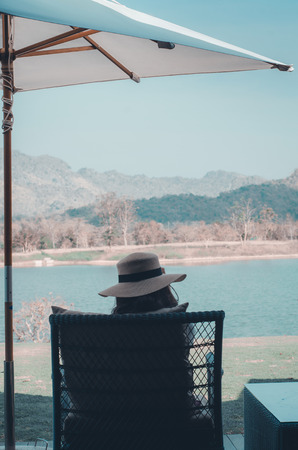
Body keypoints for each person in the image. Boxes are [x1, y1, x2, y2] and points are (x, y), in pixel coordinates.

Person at [98, 251, 188, 314]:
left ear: (122, 296)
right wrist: (167, 289)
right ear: (163, 290)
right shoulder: (180, 322)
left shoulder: (109, 326)